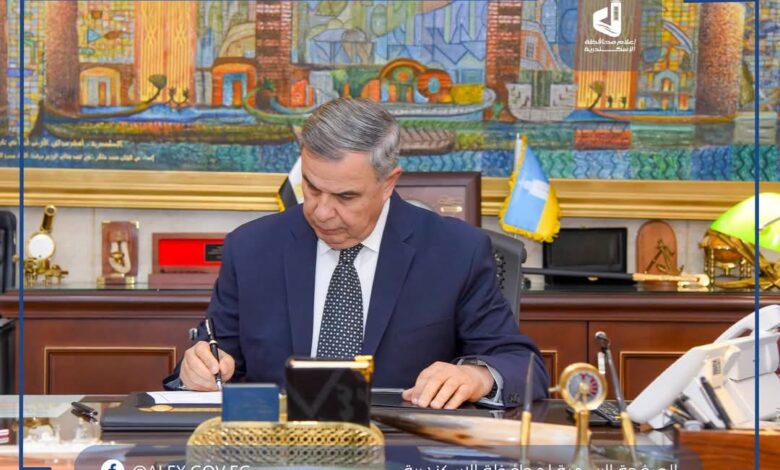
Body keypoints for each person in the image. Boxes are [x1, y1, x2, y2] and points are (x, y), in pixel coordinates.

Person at [166, 98, 549, 409]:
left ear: (388, 183)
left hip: (401, 451)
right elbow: (215, 355)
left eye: (345, 196)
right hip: (278, 451)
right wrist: (196, 371)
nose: (321, 211)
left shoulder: (455, 251)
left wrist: (476, 376)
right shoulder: (251, 249)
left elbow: (521, 364)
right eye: (312, 188)